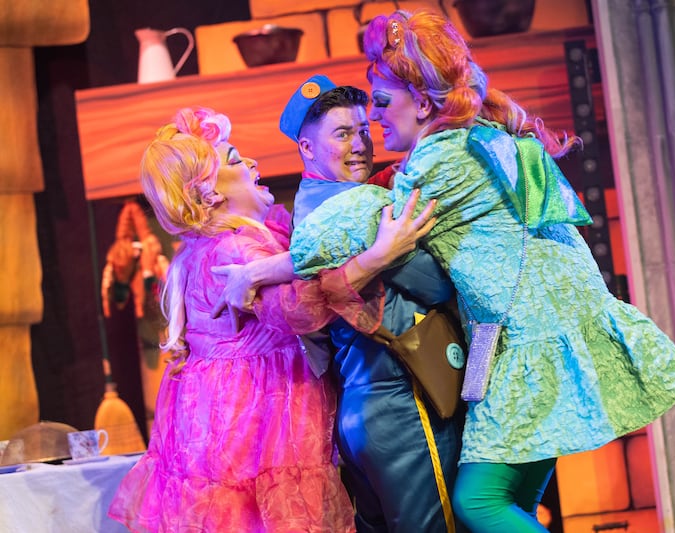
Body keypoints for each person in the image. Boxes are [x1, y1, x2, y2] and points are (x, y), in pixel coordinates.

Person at [285, 9, 675, 533]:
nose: (374, 120)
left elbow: (325, 239)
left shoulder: (440, 159)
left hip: (532, 340)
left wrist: (258, 271)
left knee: (479, 504)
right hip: (534, 336)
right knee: (509, 505)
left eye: (382, 103)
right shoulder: (477, 134)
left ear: (421, 101)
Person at [107, 106, 437, 533]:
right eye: (233, 159)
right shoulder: (232, 251)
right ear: (209, 194)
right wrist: (377, 257)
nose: (251, 163)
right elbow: (301, 307)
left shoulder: (239, 243)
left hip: (239, 424)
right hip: (259, 433)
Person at [213, 76, 467, 533]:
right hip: (404, 399)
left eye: (363, 130)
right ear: (307, 149)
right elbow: (437, 285)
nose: (361, 144)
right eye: (342, 133)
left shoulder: (307, 207)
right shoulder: (357, 207)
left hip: (361, 409)